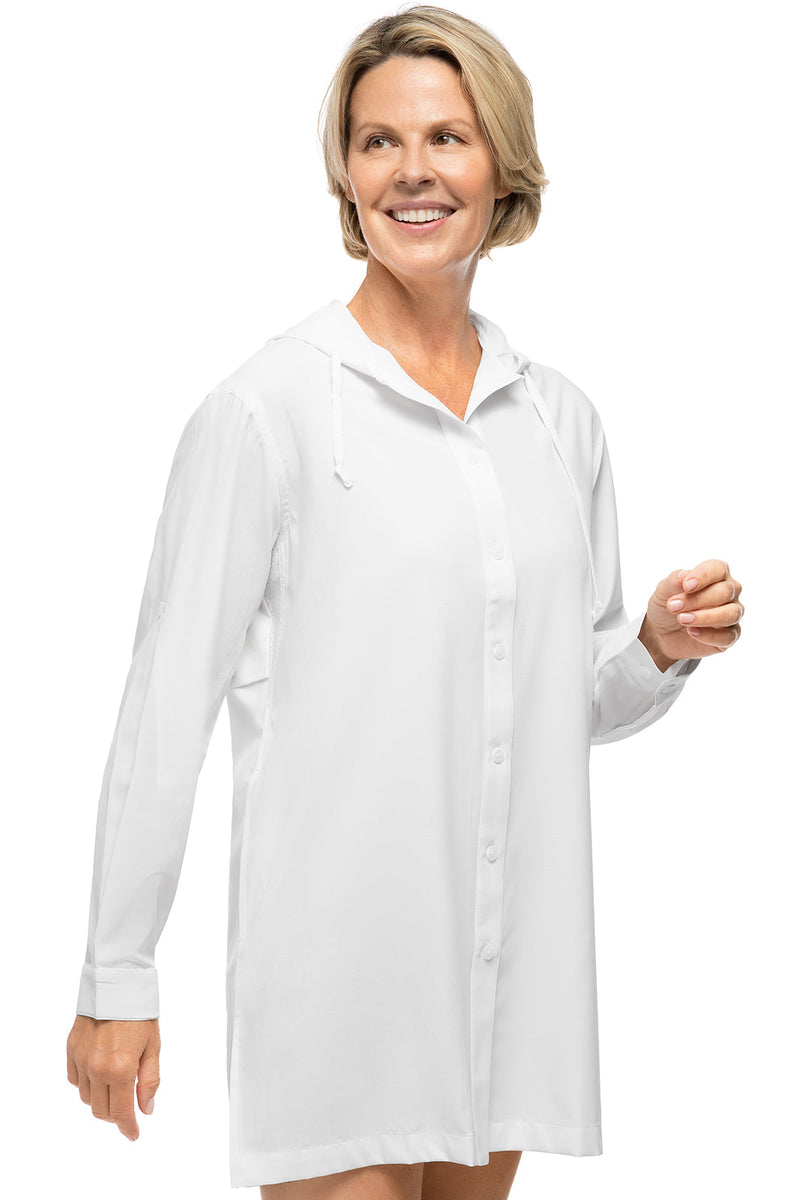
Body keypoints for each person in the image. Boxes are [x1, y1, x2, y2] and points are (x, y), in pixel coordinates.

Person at [65, 6, 744, 1198]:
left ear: (502, 165)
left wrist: (652, 646)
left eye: (447, 137)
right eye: (378, 141)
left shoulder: (558, 420)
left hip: (505, 976)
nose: (411, 171)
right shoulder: (267, 410)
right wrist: (116, 976)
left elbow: (558, 700)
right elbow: (163, 710)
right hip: (337, 979)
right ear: (345, 173)